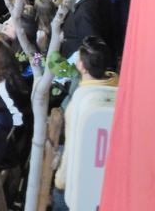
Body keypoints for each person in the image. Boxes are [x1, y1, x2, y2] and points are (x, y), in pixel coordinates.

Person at [53, 36, 118, 206]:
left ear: (81, 65)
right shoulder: (120, 88)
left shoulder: (79, 104)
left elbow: (71, 149)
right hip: (111, 181)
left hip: (81, 184)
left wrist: (60, 182)